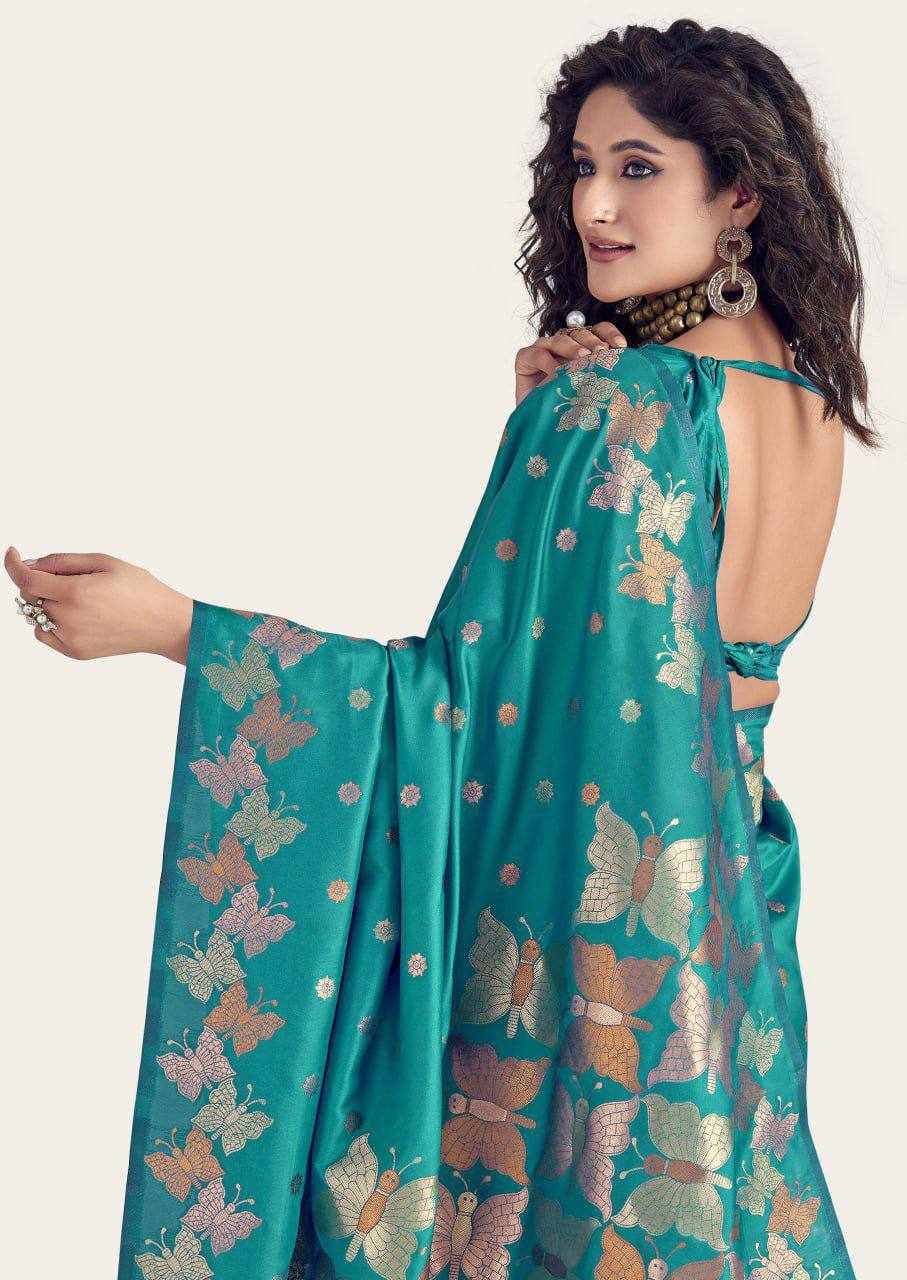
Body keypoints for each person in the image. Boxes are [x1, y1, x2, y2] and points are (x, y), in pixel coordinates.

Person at [5, 19, 876, 1280]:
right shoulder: (804, 402)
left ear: (736, 191)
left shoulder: (615, 406)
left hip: (584, 954)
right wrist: (545, 425)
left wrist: (176, 628)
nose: (593, 205)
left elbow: (454, 709)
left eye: (638, 168)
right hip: (718, 938)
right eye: (581, 167)